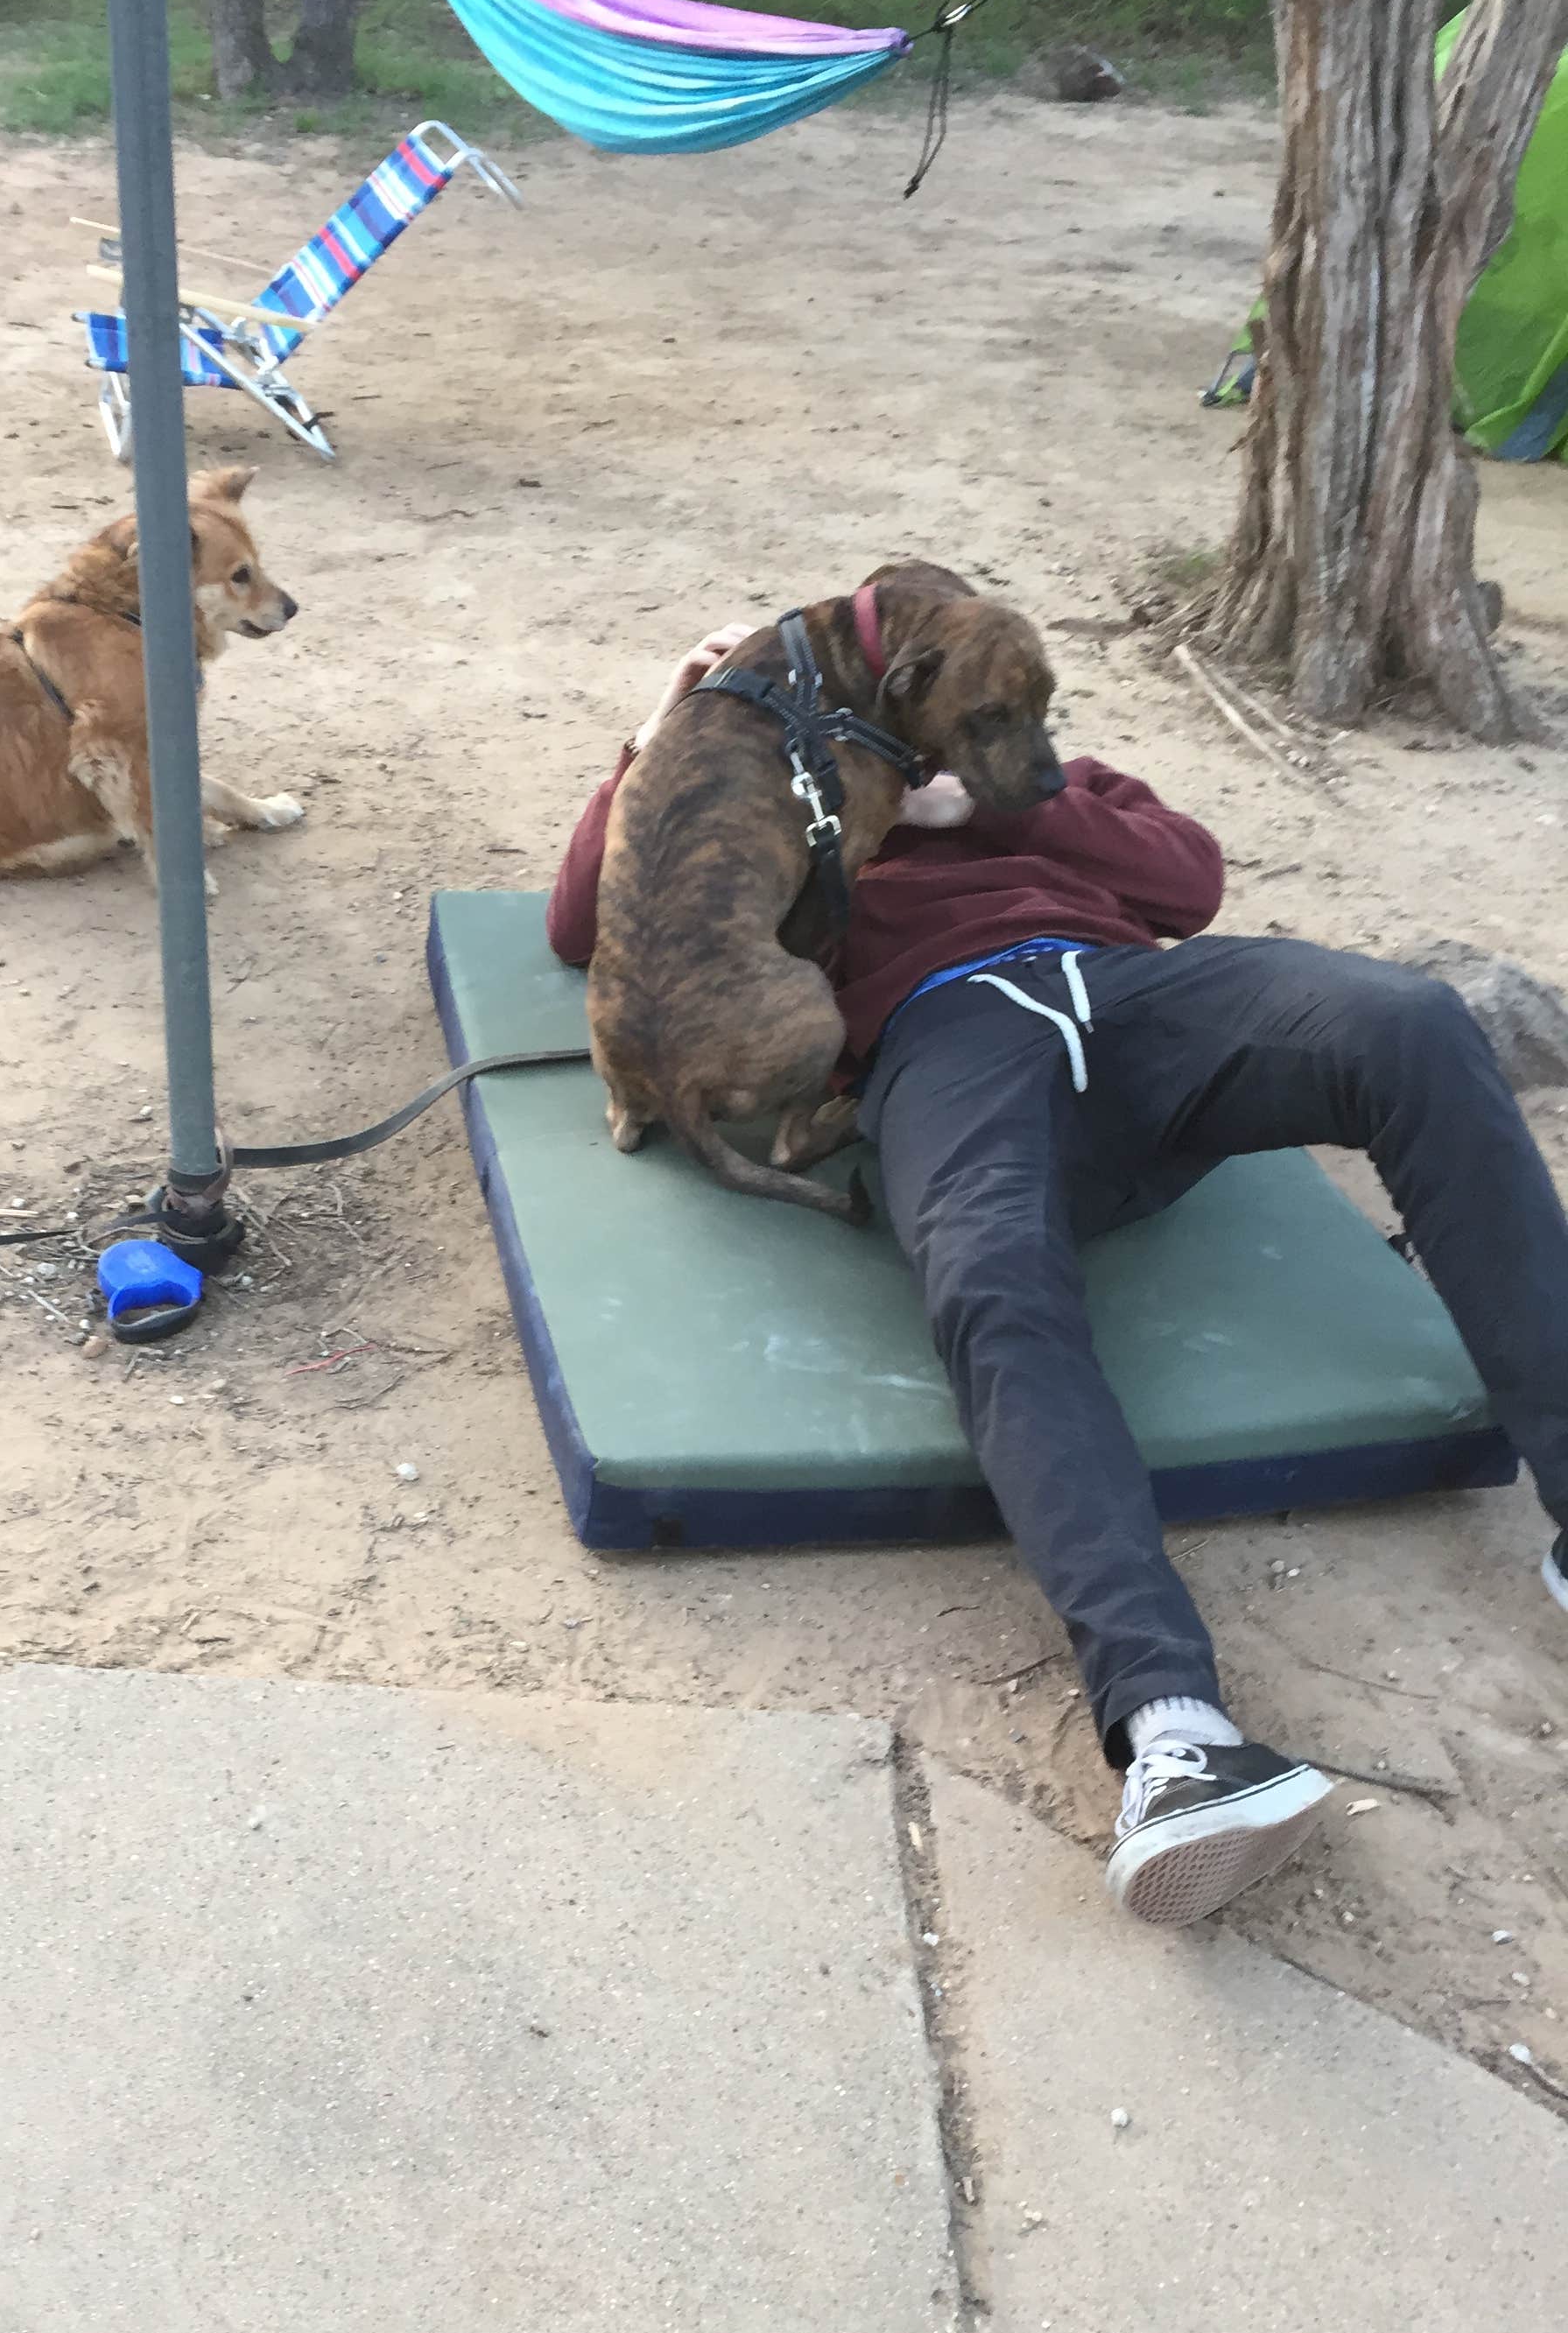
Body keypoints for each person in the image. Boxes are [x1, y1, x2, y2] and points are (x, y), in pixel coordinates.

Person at [550, 626, 1568, 1928]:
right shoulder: (785, 816)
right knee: (986, 1266)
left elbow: (1190, 880)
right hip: (944, 1040)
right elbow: (583, 926)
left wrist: (994, 803)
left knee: (1415, 1019)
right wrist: (664, 737)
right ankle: (1175, 1734)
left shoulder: (1041, 779)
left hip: (1146, 1002)